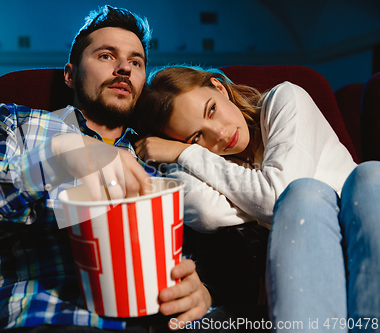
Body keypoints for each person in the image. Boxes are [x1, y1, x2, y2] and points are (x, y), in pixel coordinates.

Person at [0, 7, 213, 333]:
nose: (124, 67)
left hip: (149, 322)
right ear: (70, 74)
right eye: (105, 56)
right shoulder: (15, 122)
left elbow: (188, 257)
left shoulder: (156, 158)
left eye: (136, 62)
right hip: (45, 316)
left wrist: (200, 292)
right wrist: (57, 160)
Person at [134, 65, 380, 332]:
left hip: (365, 241)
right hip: (307, 273)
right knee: (303, 197)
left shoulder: (284, 99)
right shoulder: (199, 166)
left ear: (219, 87)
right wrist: (181, 158)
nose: (219, 134)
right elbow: (207, 212)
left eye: (212, 110)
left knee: (368, 175)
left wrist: (188, 153)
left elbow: (277, 197)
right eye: (196, 137)